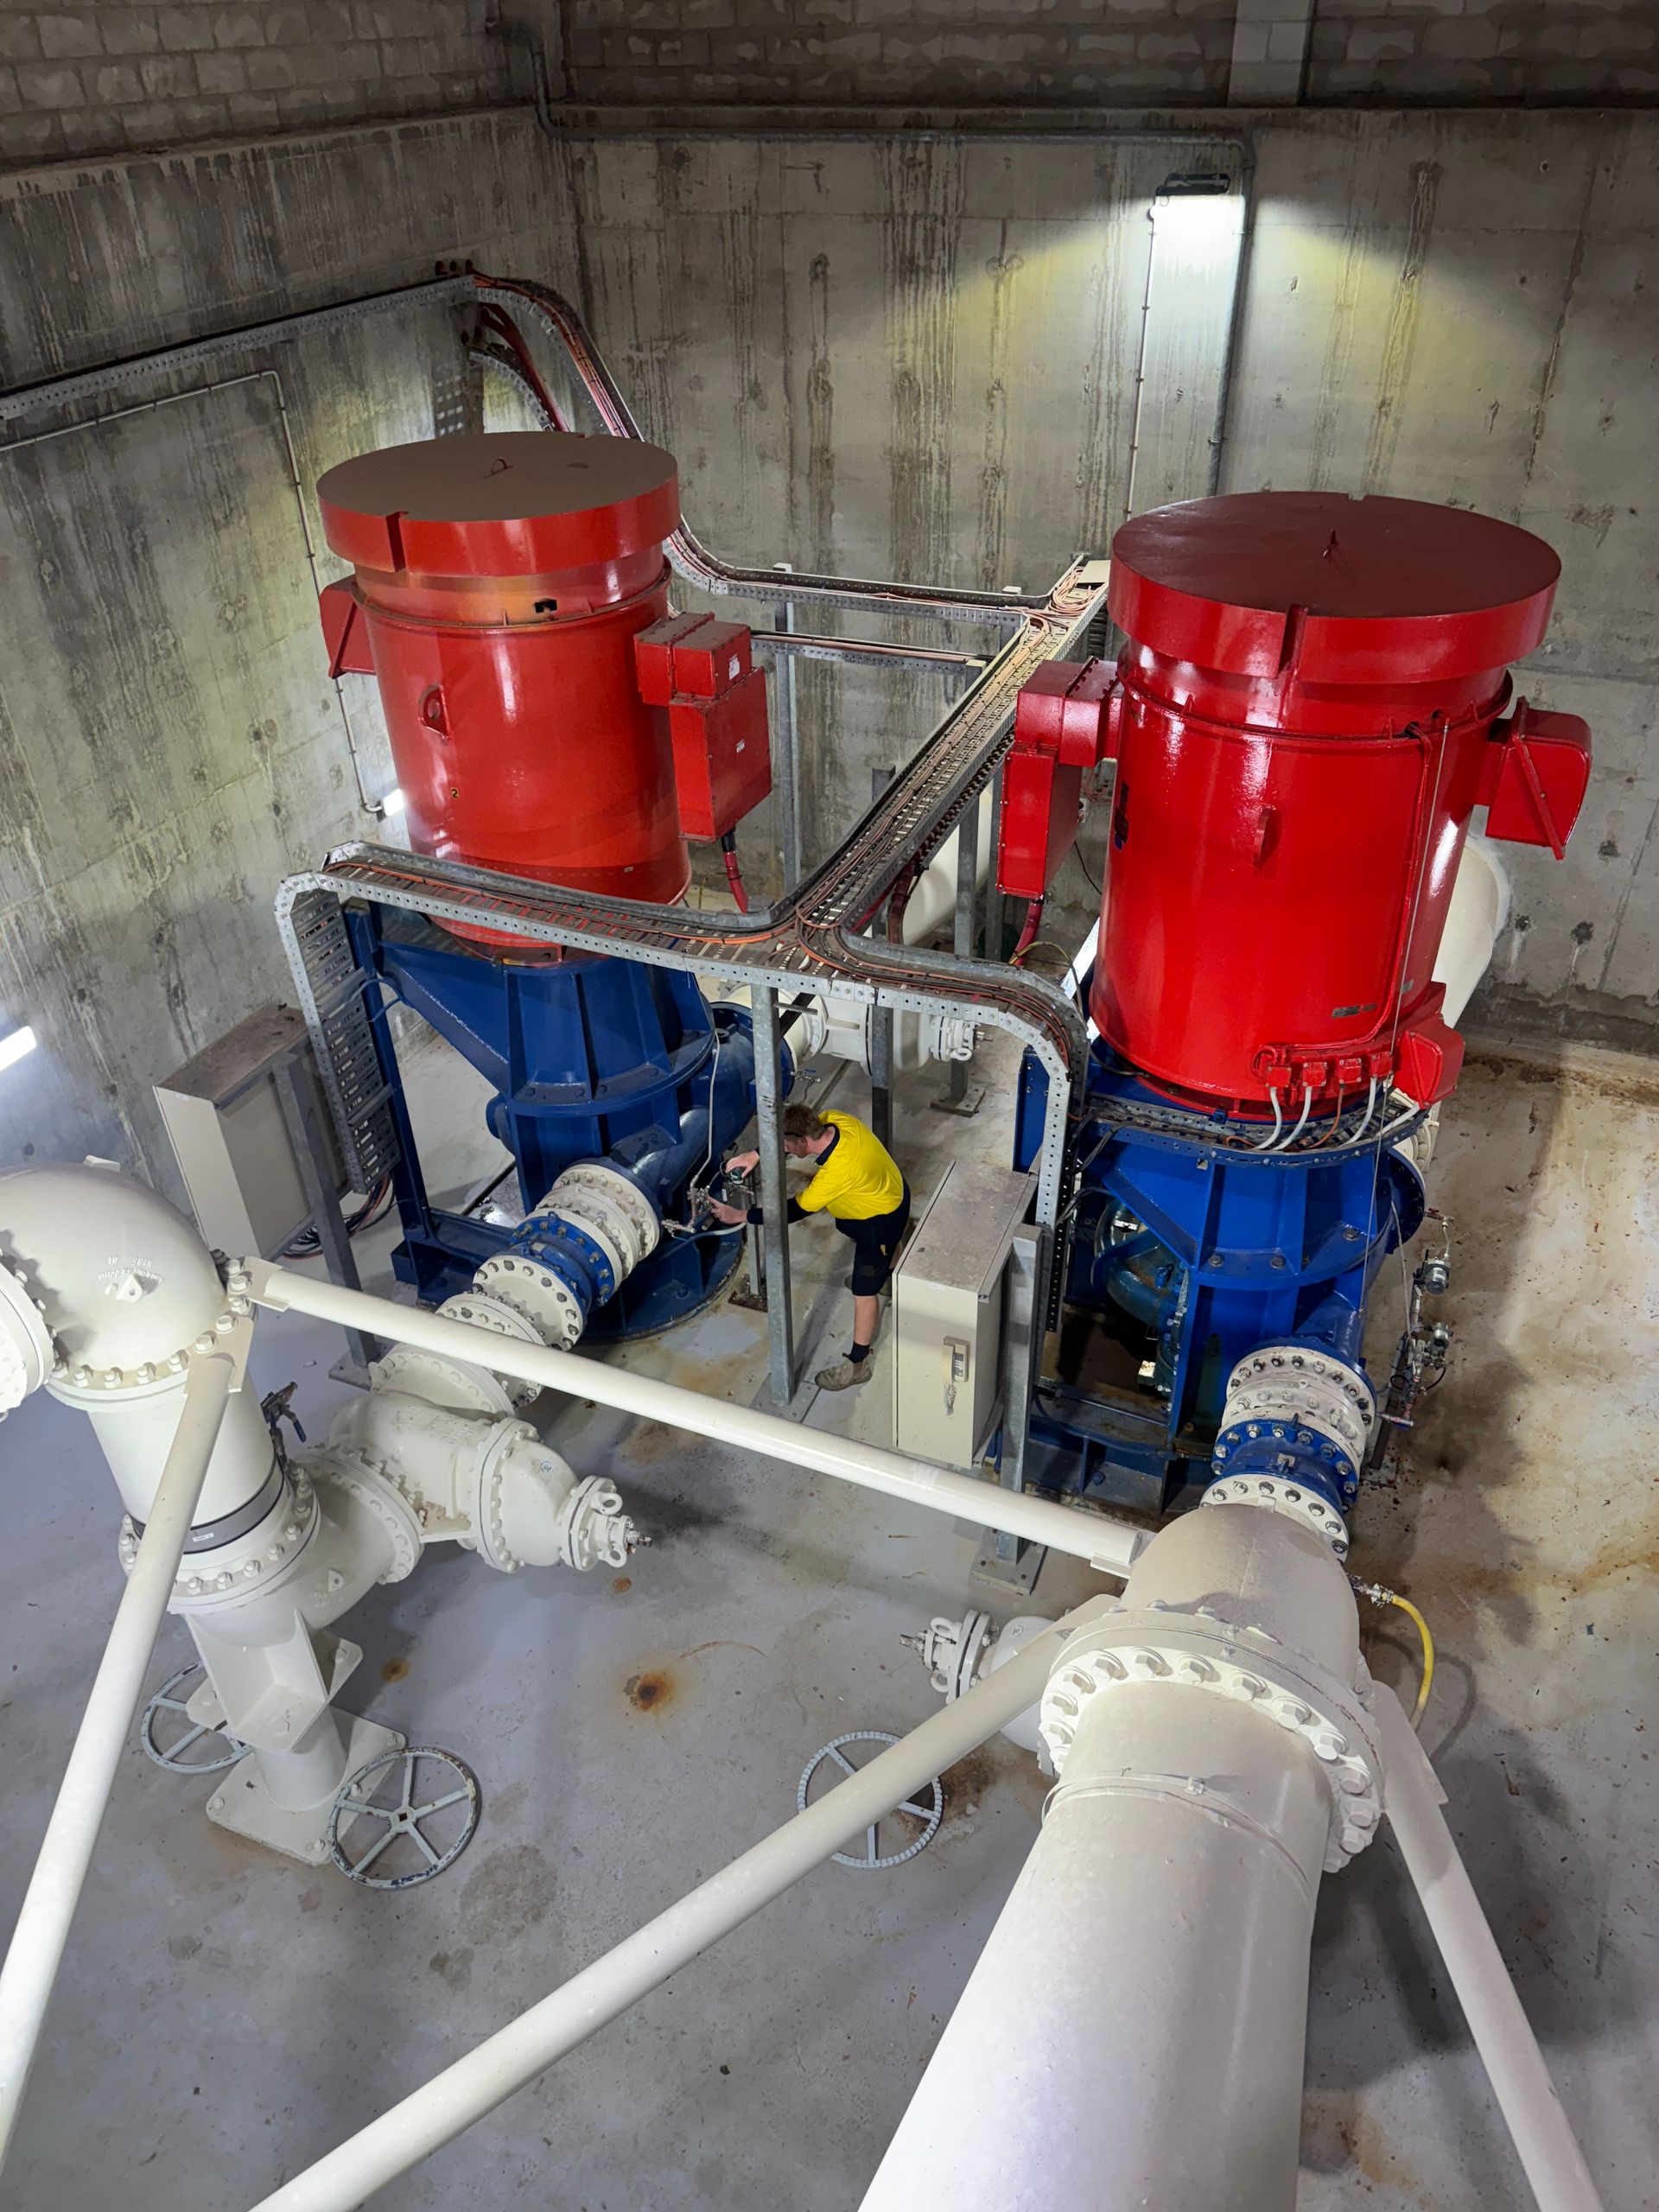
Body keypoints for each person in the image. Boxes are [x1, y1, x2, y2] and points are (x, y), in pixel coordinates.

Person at [712, 1102, 910, 1391]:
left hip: (879, 1222)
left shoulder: (839, 1170)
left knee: (863, 1293)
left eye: (789, 1147)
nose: (788, 1151)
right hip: (891, 1190)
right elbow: (792, 1136)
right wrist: (755, 1154)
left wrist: (740, 1215)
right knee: (883, 1255)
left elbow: (792, 1211)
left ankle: (857, 1366)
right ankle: (888, 1279)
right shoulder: (835, 1119)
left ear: (803, 1141)